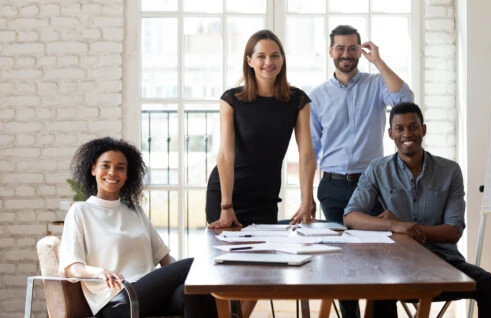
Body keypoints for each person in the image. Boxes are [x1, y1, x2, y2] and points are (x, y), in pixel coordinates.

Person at [343, 102, 491, 318]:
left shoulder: (450, 171)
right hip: (397, 264)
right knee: (380, 287)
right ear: (391, 133)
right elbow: (351, 216)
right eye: (400, 128)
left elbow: (454, 230)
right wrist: (394, 225)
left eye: (413, 127)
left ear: (424, 130)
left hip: (443, 262)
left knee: (487, 284)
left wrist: (412, 229)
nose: (407, 133)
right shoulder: (377, 169)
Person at [59, 137, 217, 318]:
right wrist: (100, 272)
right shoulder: (80, 211)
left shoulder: (134, 210)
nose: (112, 172)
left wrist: (179, 278)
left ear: (127, 175)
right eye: (106, 166)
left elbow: (164, 258)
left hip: (150, 295)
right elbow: (71, 267)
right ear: (93, 169)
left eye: (120, 168)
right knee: (193, 265)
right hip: (117, 301)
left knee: (192, 292)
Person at [206, 29, 316, 229]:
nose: (268, 62)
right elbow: (225, 155)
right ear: (249, 61)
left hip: (265, 199)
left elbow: (307, 154)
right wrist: (226, 205)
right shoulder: (231, 100)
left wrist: (307, 199)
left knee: (264, 259)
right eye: (261, 56)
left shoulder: (298, 100)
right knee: (228, 258)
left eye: (275, 55)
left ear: (282, 59)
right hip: (228, 196)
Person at [309, 25, 414, 224]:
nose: (346, 54)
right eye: (340, 48)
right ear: (331, 51)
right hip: (333, 185)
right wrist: (306, 197)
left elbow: (405, 101)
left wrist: (378, 62)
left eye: (352, 48)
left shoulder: (377, 84)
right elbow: (311, 150)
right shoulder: (316, 96)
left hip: (370, 183)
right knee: (338, 249)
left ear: (360, 51)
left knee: (371, 248)